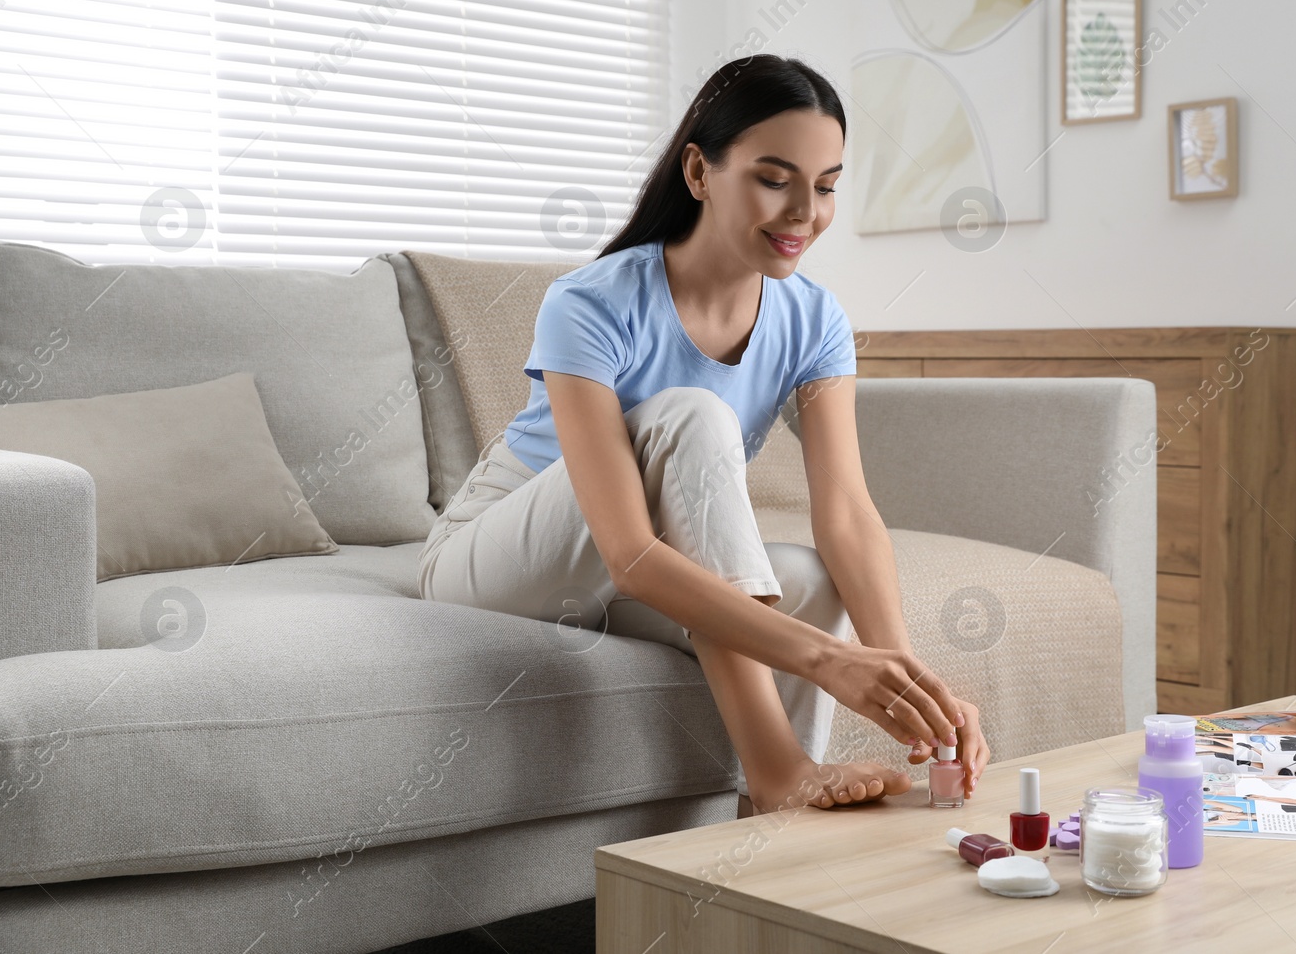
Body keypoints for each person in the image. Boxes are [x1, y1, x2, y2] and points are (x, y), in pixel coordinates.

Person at [417, 54, 990, 818]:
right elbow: (629, 551)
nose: (804, 213)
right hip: (501, 558)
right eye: (773, 178)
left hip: (628, 577)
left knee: (813, 583)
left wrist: (910, 675)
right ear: (699, 172)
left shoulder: (815, 321)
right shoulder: (589, 302)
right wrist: (829, 661)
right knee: (694, 414)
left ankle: (767, 823)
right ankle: (777, 768)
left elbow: (847, 512)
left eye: (825, 187)